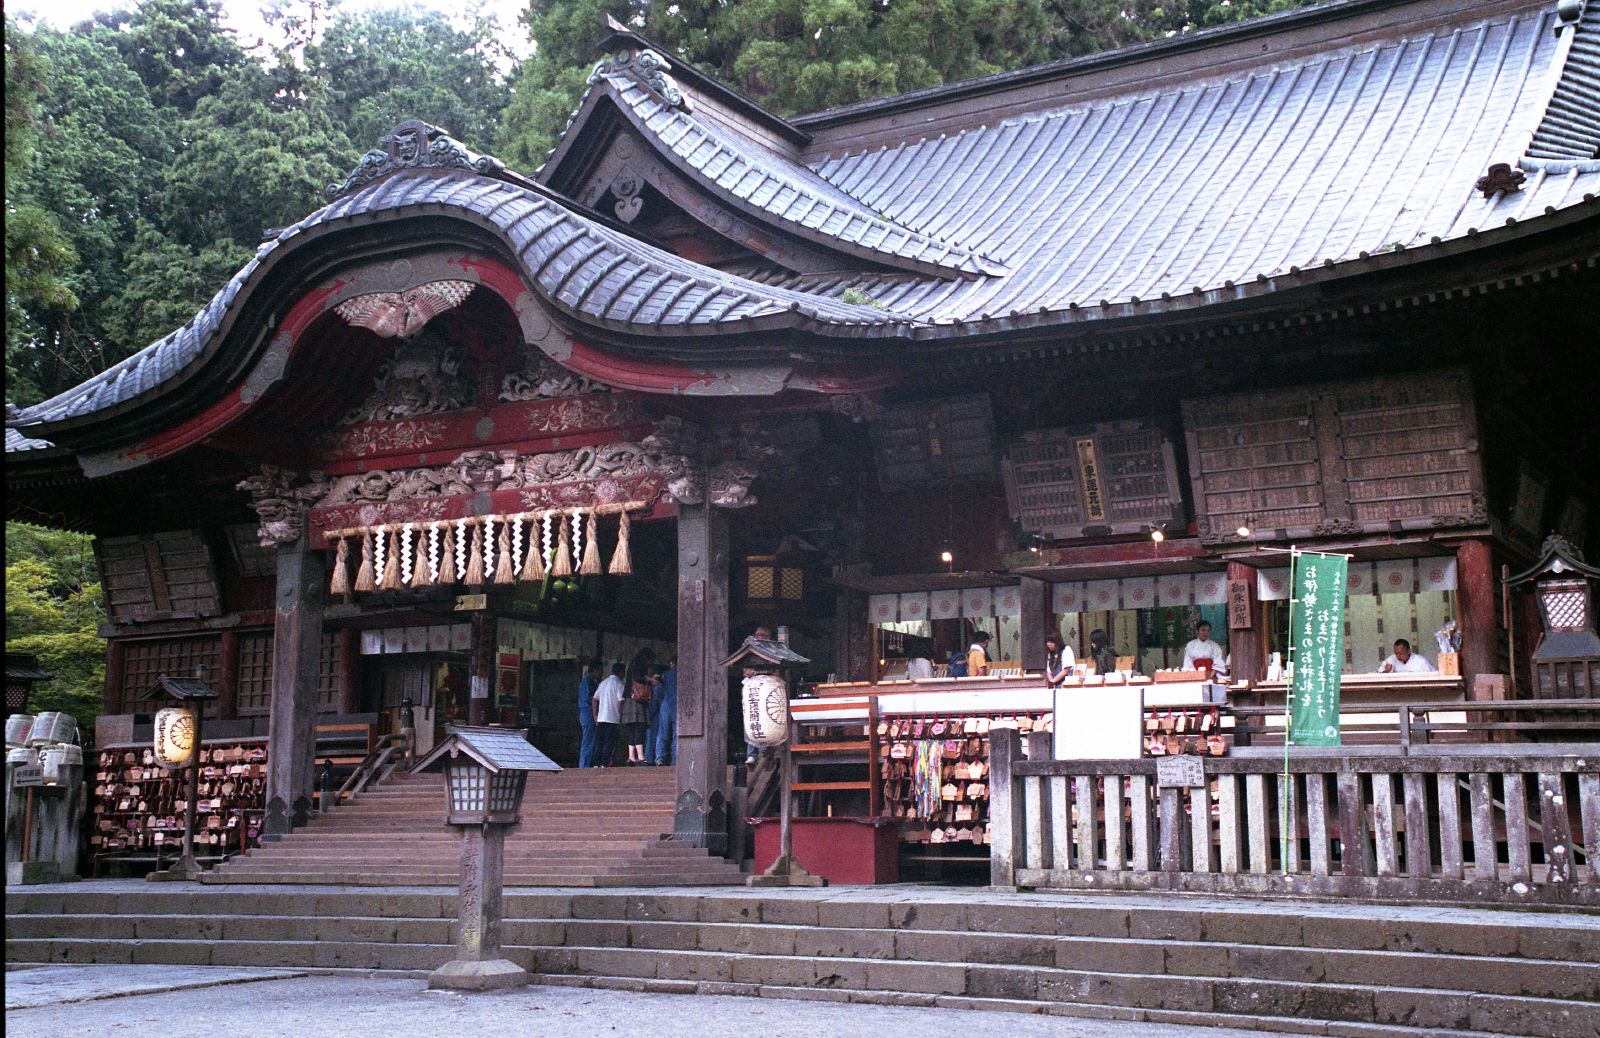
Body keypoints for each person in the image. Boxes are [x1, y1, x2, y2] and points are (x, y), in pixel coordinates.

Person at [621, 648, 657, 765]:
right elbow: (638, 678)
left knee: (632, 729)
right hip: (637, 699)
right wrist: (650, 679)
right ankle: (641, 757)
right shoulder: (640, 664)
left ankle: (631, 757)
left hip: (628, 698)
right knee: (639, 727)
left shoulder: (632, 664)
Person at [744, 625, 773, 765]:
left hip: (767, 693)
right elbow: (745, 671)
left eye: (761, 635)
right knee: (753, 721)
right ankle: (752, 754)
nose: (758, 637)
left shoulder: (773, 652)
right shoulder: (750, 653)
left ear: (768, 638)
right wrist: (750, 672)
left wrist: (761, 673)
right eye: (757, 634)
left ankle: (765, 753)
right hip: (753, 693)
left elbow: (776, 673)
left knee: (766, 723)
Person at [591, 662, 626, 767]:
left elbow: (594, 699)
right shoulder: (619, 684)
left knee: (599, 742)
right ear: (621, 672)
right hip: (613, 718)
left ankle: (596, 764)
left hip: (601, 718)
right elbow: (621, 701)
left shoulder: (603, 683)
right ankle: (605, 764)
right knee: (609, 743)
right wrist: (622, 715)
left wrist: (595, 715)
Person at [576, 658, 602, 768]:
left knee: (591, 740)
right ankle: (584, 765)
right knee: (588, 740)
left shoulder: (588, 681)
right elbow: (590, 698)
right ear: (596, 670)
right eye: (600, 670)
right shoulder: (588, 682)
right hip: (588, 713)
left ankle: (587, 764)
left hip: (587, 713)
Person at [652, 657, 677, 766]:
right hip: (679, 707)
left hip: (665, 706)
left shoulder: (665, 675)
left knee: (662, 733)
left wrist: (660, 700)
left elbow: (658, 690)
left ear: (673, 663)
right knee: (677, 735)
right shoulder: (685, 675)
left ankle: (659, 758)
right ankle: (675, 761)